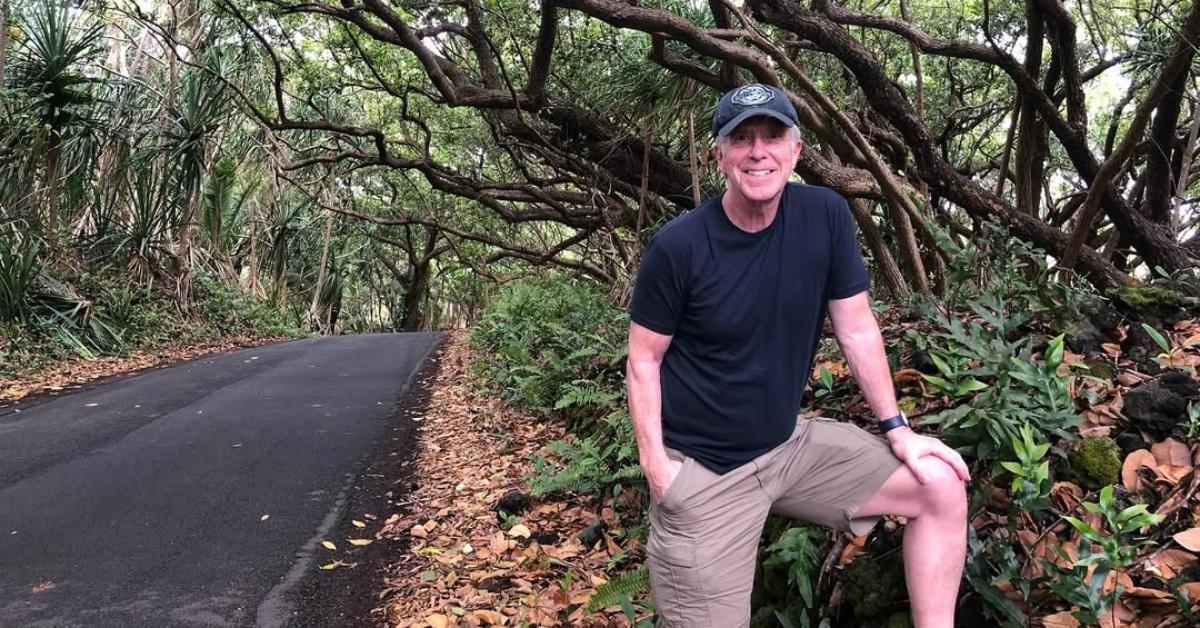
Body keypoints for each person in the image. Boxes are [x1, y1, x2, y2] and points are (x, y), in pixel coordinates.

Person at [626, 83, 970, 628]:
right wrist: (658, 470)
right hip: (706, 471)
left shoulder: (826, 215)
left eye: (772, 135)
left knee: (939, 487)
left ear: (796, 150)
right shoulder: (679, 247)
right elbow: (644, 361)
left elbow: (856, 328)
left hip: (788, 445)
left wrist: (898, 430)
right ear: (719, 155)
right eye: (742, 138)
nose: (758, 151)